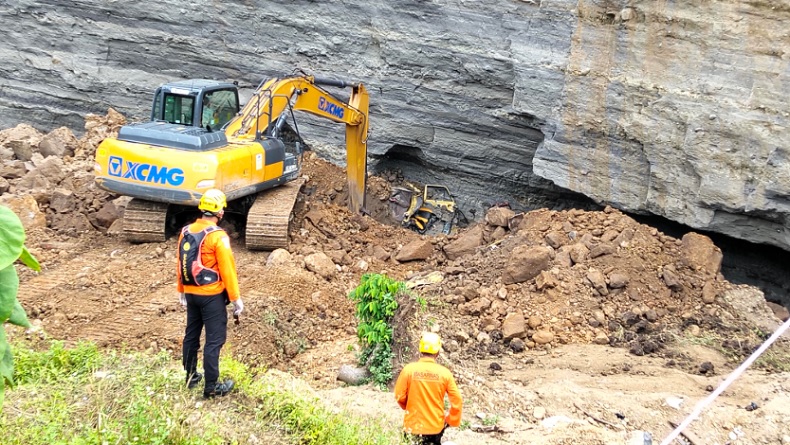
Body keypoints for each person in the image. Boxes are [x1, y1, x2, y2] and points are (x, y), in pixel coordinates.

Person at [177, 189, 244, 399]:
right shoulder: (217, 237)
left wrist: (181, 290)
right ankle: (212, 387)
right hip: (211, 295)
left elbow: (181, 262)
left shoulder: (186, 231)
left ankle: (190, 377)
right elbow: (227, 269)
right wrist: (235, 298)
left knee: (191, 335)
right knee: (214, 341)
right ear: (220, 212)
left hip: (191, 293)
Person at [394, 332, 463, 444]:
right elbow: (457, 400)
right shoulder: (444, 373)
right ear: (438, 352)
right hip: (435, 428)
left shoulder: (409, 370)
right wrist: (451, 420)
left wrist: (409, 407)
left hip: (412, 427)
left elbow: (399, 395)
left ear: (421, 350)